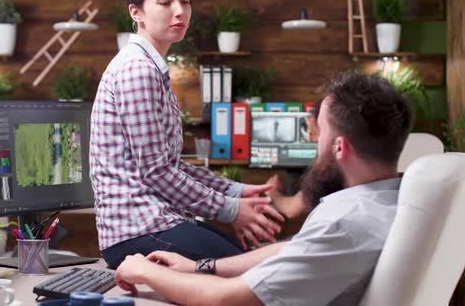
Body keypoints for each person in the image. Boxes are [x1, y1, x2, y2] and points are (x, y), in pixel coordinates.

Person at [114, 71, 414, 306]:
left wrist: (145, 271)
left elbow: (225, 299)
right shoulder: (389, 201)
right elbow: (296, 248)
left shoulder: (344, 224)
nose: (314, 144)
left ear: (339, 147)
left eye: (319, 132)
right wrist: (200, 267)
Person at [89, 0, 284, 269]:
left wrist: (234, 191)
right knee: (250, 270)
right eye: (166, 2)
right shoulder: (137, 70)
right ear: (136, 12)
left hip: (153, 223)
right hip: (135, 231)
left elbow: (170, 165)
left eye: (185, 2)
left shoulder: (150, 66)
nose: (179, 11)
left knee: (247, 262)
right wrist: (232, 210)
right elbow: (157, 172)